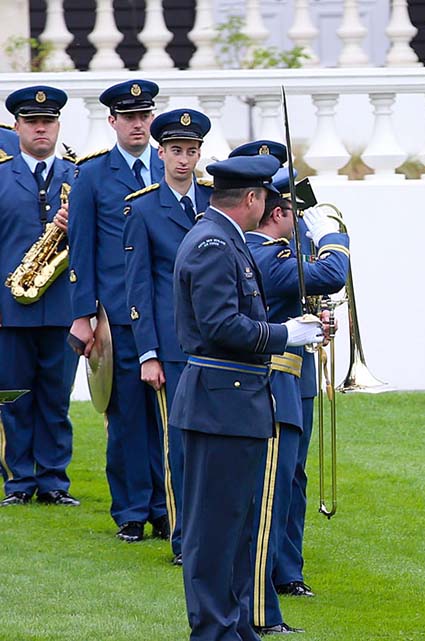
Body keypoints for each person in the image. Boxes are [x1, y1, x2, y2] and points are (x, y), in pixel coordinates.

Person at [170, 154, 323, 641]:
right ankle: (215, 631)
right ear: (253, 199)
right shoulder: (215, 244)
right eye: (268, 198)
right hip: (221, 404)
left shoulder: (222, 240)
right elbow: (219, 326)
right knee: (215, 531)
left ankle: (234, 627)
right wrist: (285, 334)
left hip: (233, 403)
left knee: (236, 527)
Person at [238, 145, 349, 633]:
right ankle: (269, 576)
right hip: (275, 371)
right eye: (294, 212)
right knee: (276, 482)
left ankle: (288, 570)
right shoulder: (267, 248)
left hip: (297, 368)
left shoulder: (281, 243)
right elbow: (328, 271)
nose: (300, 220)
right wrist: (336, 239)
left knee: (295, 476)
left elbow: (303, 288)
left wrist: (315, 314)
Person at [67, 79, 167, 542]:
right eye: (129, 118)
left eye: (144, 116)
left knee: (167, 417)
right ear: (112, 122)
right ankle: (130, 509)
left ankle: (166, 506)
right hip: (119, 316)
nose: (138, 124)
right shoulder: (93, 175)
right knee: (126, 416)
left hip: (165, 315)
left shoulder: (168, 167)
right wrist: (83, 314)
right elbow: (81, 248)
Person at [123, 109, 213, 565]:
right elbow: (137, 285)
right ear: (160, 153)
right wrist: (148, 353)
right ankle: (182, 539)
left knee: (215, 444)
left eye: (191, 151)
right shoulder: (143, 208)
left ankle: (212, 533)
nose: (184, 160)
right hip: (172, 347)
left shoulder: (214, 201)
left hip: (218, 344)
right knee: (177, 445)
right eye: (176, 150)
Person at [0, 85, 79, 507]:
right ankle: (18, 482)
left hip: (63, 308)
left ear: (58, 126)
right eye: (32, 122)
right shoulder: (0, 174)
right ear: (17, 127)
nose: (41, 129)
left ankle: (53, 482)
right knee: (13, 398)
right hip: (9, 309)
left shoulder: (78, 176)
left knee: (56, 397)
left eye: (47, 122)